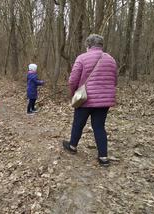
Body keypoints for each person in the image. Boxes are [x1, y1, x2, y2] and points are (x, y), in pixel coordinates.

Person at [62, 34, 117, 167]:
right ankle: (103, 157)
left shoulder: (82, 58)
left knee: (78, 123)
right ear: (101, 45)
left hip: (85, 98)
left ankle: (73, 146)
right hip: (104, 100)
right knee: (99, 127)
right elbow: (115, 80)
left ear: (88, 45)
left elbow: (73, 80)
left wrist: (73, 93)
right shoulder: (111, 60)